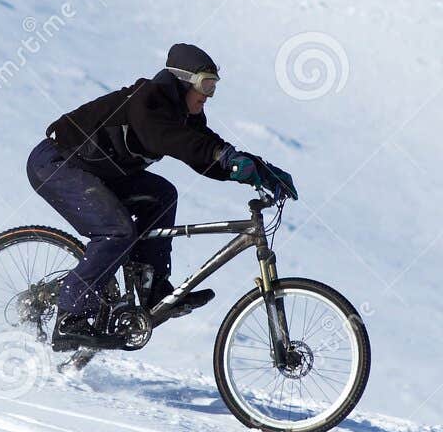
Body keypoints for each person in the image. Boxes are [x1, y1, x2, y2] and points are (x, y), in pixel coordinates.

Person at [27, 43, 298, 350]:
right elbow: (167, 138)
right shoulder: (149, 101)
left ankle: (153, 289)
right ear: (184, 82)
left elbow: (205, 152)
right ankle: (69, 320)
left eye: (214, 87)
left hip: (99, 172)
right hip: (57, 164)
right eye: (205, 84)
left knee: (162, 195)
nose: (209, 94)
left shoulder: (184, 114)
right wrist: (224, 158)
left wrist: (259, 169)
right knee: (116, 232)